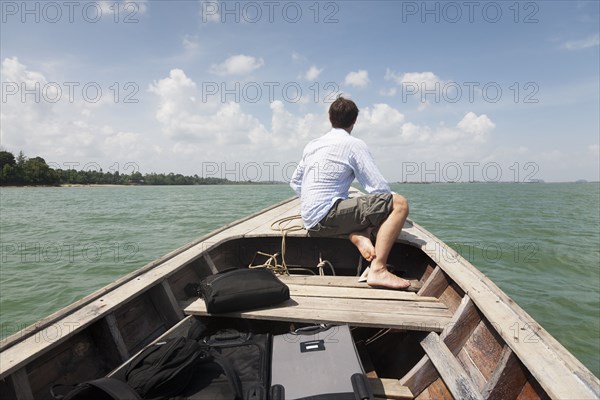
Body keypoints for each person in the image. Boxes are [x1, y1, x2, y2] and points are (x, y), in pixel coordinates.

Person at [290, 96, 412, 290]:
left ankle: (356, 233)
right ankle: (378, 270)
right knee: (399, 204)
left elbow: (295, 182)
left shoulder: (312, 145)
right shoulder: (354, 145)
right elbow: (378, 188)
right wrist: (392, 207)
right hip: (327, 217)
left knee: (358, 205)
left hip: (310, 222)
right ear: (354, 122)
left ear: (330, 118)